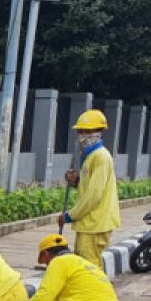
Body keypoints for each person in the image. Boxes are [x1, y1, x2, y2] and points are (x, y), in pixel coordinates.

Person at [57, 109, 120, 266]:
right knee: (84, 266)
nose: (82, 135)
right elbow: (89, 188)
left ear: (97, 133)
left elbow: (94, 195)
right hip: (90, 224)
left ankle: (97, 291)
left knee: (89, 268)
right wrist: (77, 180)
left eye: (86, 131)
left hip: (95, 223)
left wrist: (70, 215)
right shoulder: (90, 157)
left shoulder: (100, 157)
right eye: (80, 131)